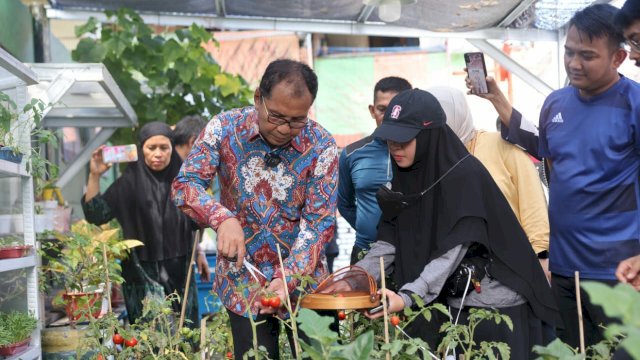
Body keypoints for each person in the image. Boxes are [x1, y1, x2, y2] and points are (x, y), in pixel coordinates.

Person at [469, 4, 640, 347]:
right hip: (565, 269)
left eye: (587, 55)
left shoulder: (634, 104)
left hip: (621, 272)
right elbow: (544, 150)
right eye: (569, 52)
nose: (574, 63)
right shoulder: (555, 104)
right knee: (568, 352)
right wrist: (499, 103)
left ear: (618, 58)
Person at [353, 89, 558, 358]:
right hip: (455, 300)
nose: (395, 148)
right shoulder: (410, 175)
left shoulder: (464, 175)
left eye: (404, 140)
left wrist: (406, 297)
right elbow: (388, 241)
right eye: (390, 140)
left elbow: (452, 251)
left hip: (496, 305)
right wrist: (351, 282)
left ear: (428, 136)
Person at [171, 59, 338, 359]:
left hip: (305, 280)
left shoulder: (321, 145)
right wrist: (222, 218)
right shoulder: (223, 129)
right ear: (258, 98)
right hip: (243, 282)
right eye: (276, 116)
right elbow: (185, 185)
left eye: (297, 120)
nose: (285, 128)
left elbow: (318, 223)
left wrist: (288, 277)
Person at [82, 121, 209, 327]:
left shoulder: (184, 182)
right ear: (142, 150)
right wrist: (94, 175)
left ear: (171, 149)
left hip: (180, 275)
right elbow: (95, 214)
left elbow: (198, 221)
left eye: (164, 147)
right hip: (140, 276)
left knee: (185, 336)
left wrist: (199, 252)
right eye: (151, 148)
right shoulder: (128, 183)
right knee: (149, 337)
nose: (158, 153)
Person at [429, 86, 550, 280]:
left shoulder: (500, 146)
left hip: (513, 265)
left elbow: (532, 201)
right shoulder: (433, 159)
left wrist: (540, 254)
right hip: (456, 272)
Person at [337, 76, 412, 264]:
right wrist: (368, 230)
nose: (388, 117)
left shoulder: (421, 151)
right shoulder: (351, 154)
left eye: (396, 110)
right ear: (372, 110)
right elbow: (344, 204)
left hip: (411, 253)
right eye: (382, 109)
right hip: (365, 252)